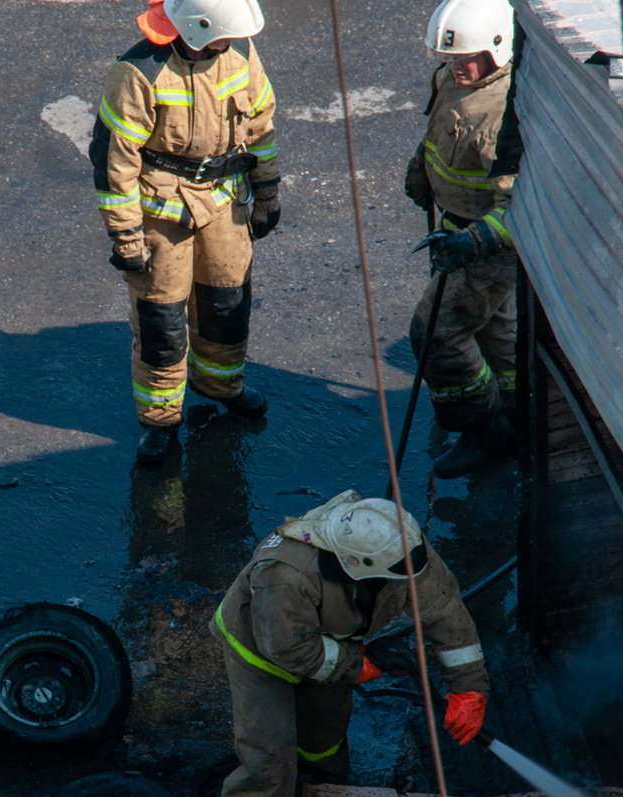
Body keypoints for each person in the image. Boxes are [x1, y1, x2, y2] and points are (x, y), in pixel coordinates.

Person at [89, 0, 281, 465]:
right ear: (197, 29)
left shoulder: (240, 53)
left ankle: (220, 385)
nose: (232, 45)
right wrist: (127, 238)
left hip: (223, 202)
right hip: (161, 212)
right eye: (223, 38)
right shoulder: (137, 73)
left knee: (227, 304)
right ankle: (160, 421)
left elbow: (260, 128)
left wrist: (267, 193)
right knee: (163, 323)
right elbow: (115, 163)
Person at [212, 491, 489, 795]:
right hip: (260, 650)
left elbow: (445, 610)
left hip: (328, 639)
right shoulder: (285, 575)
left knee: (324, 742)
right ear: (359, 565)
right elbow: (285, 647)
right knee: (270, 759)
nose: (409, 582)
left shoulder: (399, 544)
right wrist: (358, 665)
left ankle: (323, 786)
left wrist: (468, 687)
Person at [405, 0, 519, 479]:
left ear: (497, 48)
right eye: (448, 57)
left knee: (437, 333)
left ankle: (480, 428)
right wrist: (420, 172)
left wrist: (473, 243)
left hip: (487, 245)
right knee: (494, 331)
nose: (455, 66)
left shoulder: (502, 117)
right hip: (453, 227)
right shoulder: (452, 79)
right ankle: (515, 409)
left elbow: (517, 206)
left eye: (464, 57)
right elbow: (437, 130)